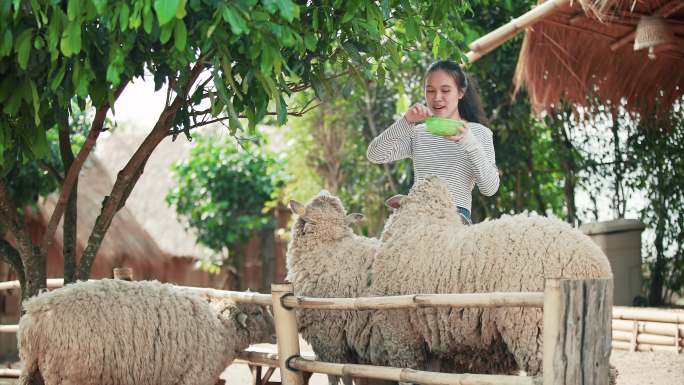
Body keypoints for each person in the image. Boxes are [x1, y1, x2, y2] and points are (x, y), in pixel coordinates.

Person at [366, 59, 499, 224]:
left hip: (456, 219)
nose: (437, 98)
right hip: (416, 216)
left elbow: (490, 188)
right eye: (430, 91)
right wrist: (406, 121)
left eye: (445, 90)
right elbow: (375, 154)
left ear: (460, 92)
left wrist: (468, 142)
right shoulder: (419, 132)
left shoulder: (479, 134)